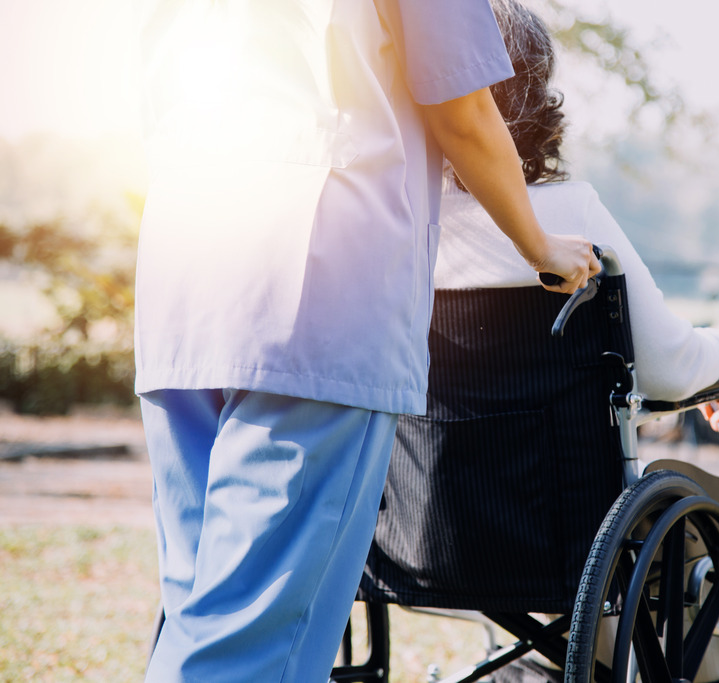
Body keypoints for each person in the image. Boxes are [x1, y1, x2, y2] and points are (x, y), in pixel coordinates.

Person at [133, 1, 600, 681]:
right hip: (317, 287)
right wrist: (539, 245)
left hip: (183, 276)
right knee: (255, 637)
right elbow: (464, 112)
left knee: (201, 611)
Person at [436, 0, 719, 431]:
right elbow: (668, 371)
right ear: (534, 95)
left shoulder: (405, 226)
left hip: (415, 493)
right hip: (569, 492)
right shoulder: (568, 214)